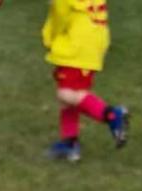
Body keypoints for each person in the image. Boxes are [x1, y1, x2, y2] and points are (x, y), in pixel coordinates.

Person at [42, 0, 129, 161]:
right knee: (72, 95)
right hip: (93, 39)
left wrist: (49, 38)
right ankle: (70, 142)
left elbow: (60, 15)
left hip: (77, 45)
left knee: (66, 94)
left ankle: (112, 115)